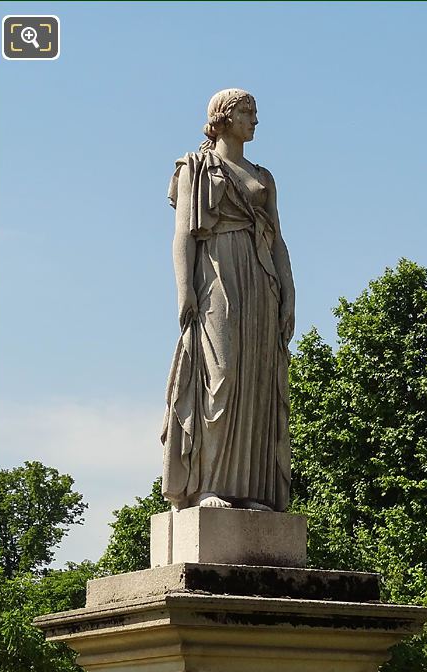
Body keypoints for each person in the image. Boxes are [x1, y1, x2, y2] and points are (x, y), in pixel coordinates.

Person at [161, 89, 295, 512]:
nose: (254, 119)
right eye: (246, 112)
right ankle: (207, 484)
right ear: (223, 117)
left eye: (255, 112)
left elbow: (278, 240)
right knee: (221, 376)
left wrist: (289, 293)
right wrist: (184, 289)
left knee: (257, 379)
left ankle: (251, 490)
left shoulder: (264, 176)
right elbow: (183, 233)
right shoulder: (196, 168)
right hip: (217, 274)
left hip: (261, 279)